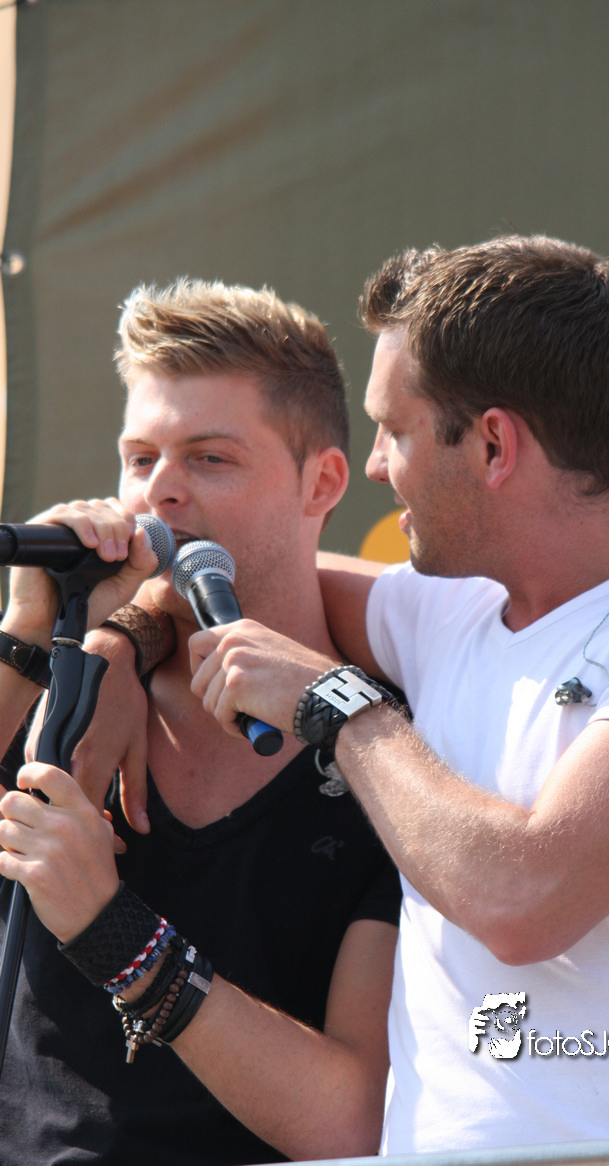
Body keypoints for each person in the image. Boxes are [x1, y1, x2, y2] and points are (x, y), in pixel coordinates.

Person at [117, 236, 609, 1152]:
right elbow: (256, 574)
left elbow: (524, 898)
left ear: (494, 445)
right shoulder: (449, 610)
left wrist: (341, 708)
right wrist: (123, 642)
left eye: (395, 430)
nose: (375, 467)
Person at [0, 278, 400, 1165]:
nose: (160, 494)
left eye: (210, 459)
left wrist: (111, 928)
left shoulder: (389, 746)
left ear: (322, 481)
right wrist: (31, 633)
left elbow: (351, 1122)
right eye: (139, 458)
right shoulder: (62, 677)